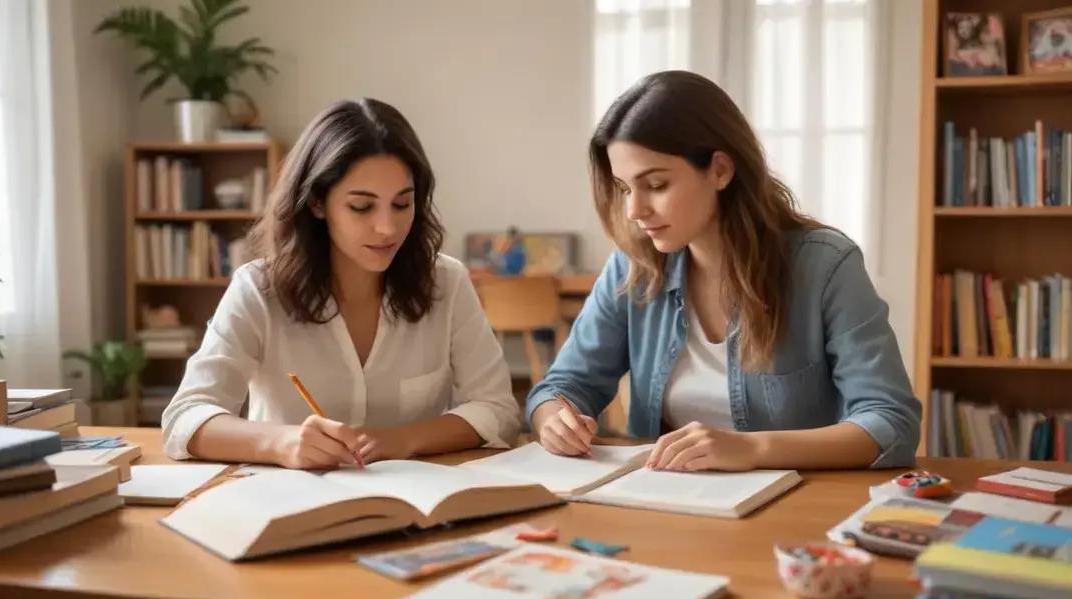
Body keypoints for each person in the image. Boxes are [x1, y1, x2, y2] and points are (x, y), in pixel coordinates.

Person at [527, 71, 920, 471]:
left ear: (720, 170)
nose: (634, 210)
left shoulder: (825, 265)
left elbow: (890, 421)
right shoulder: (633, 267)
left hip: (794, 507)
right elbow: (561, 388)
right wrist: (555, 419)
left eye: (657, 184)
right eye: (625, 188)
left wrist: (752, 449)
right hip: (665, 499)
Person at [161, 98, 519, 468]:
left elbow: (499, 411)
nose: (387, 228)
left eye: (402, 204)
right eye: (362, 207)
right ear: (317, 202)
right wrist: (281, 443)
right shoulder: (258, 289)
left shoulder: (446, 282)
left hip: (415, 507)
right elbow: (184, 419)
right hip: (288, 508)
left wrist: (402, 439)